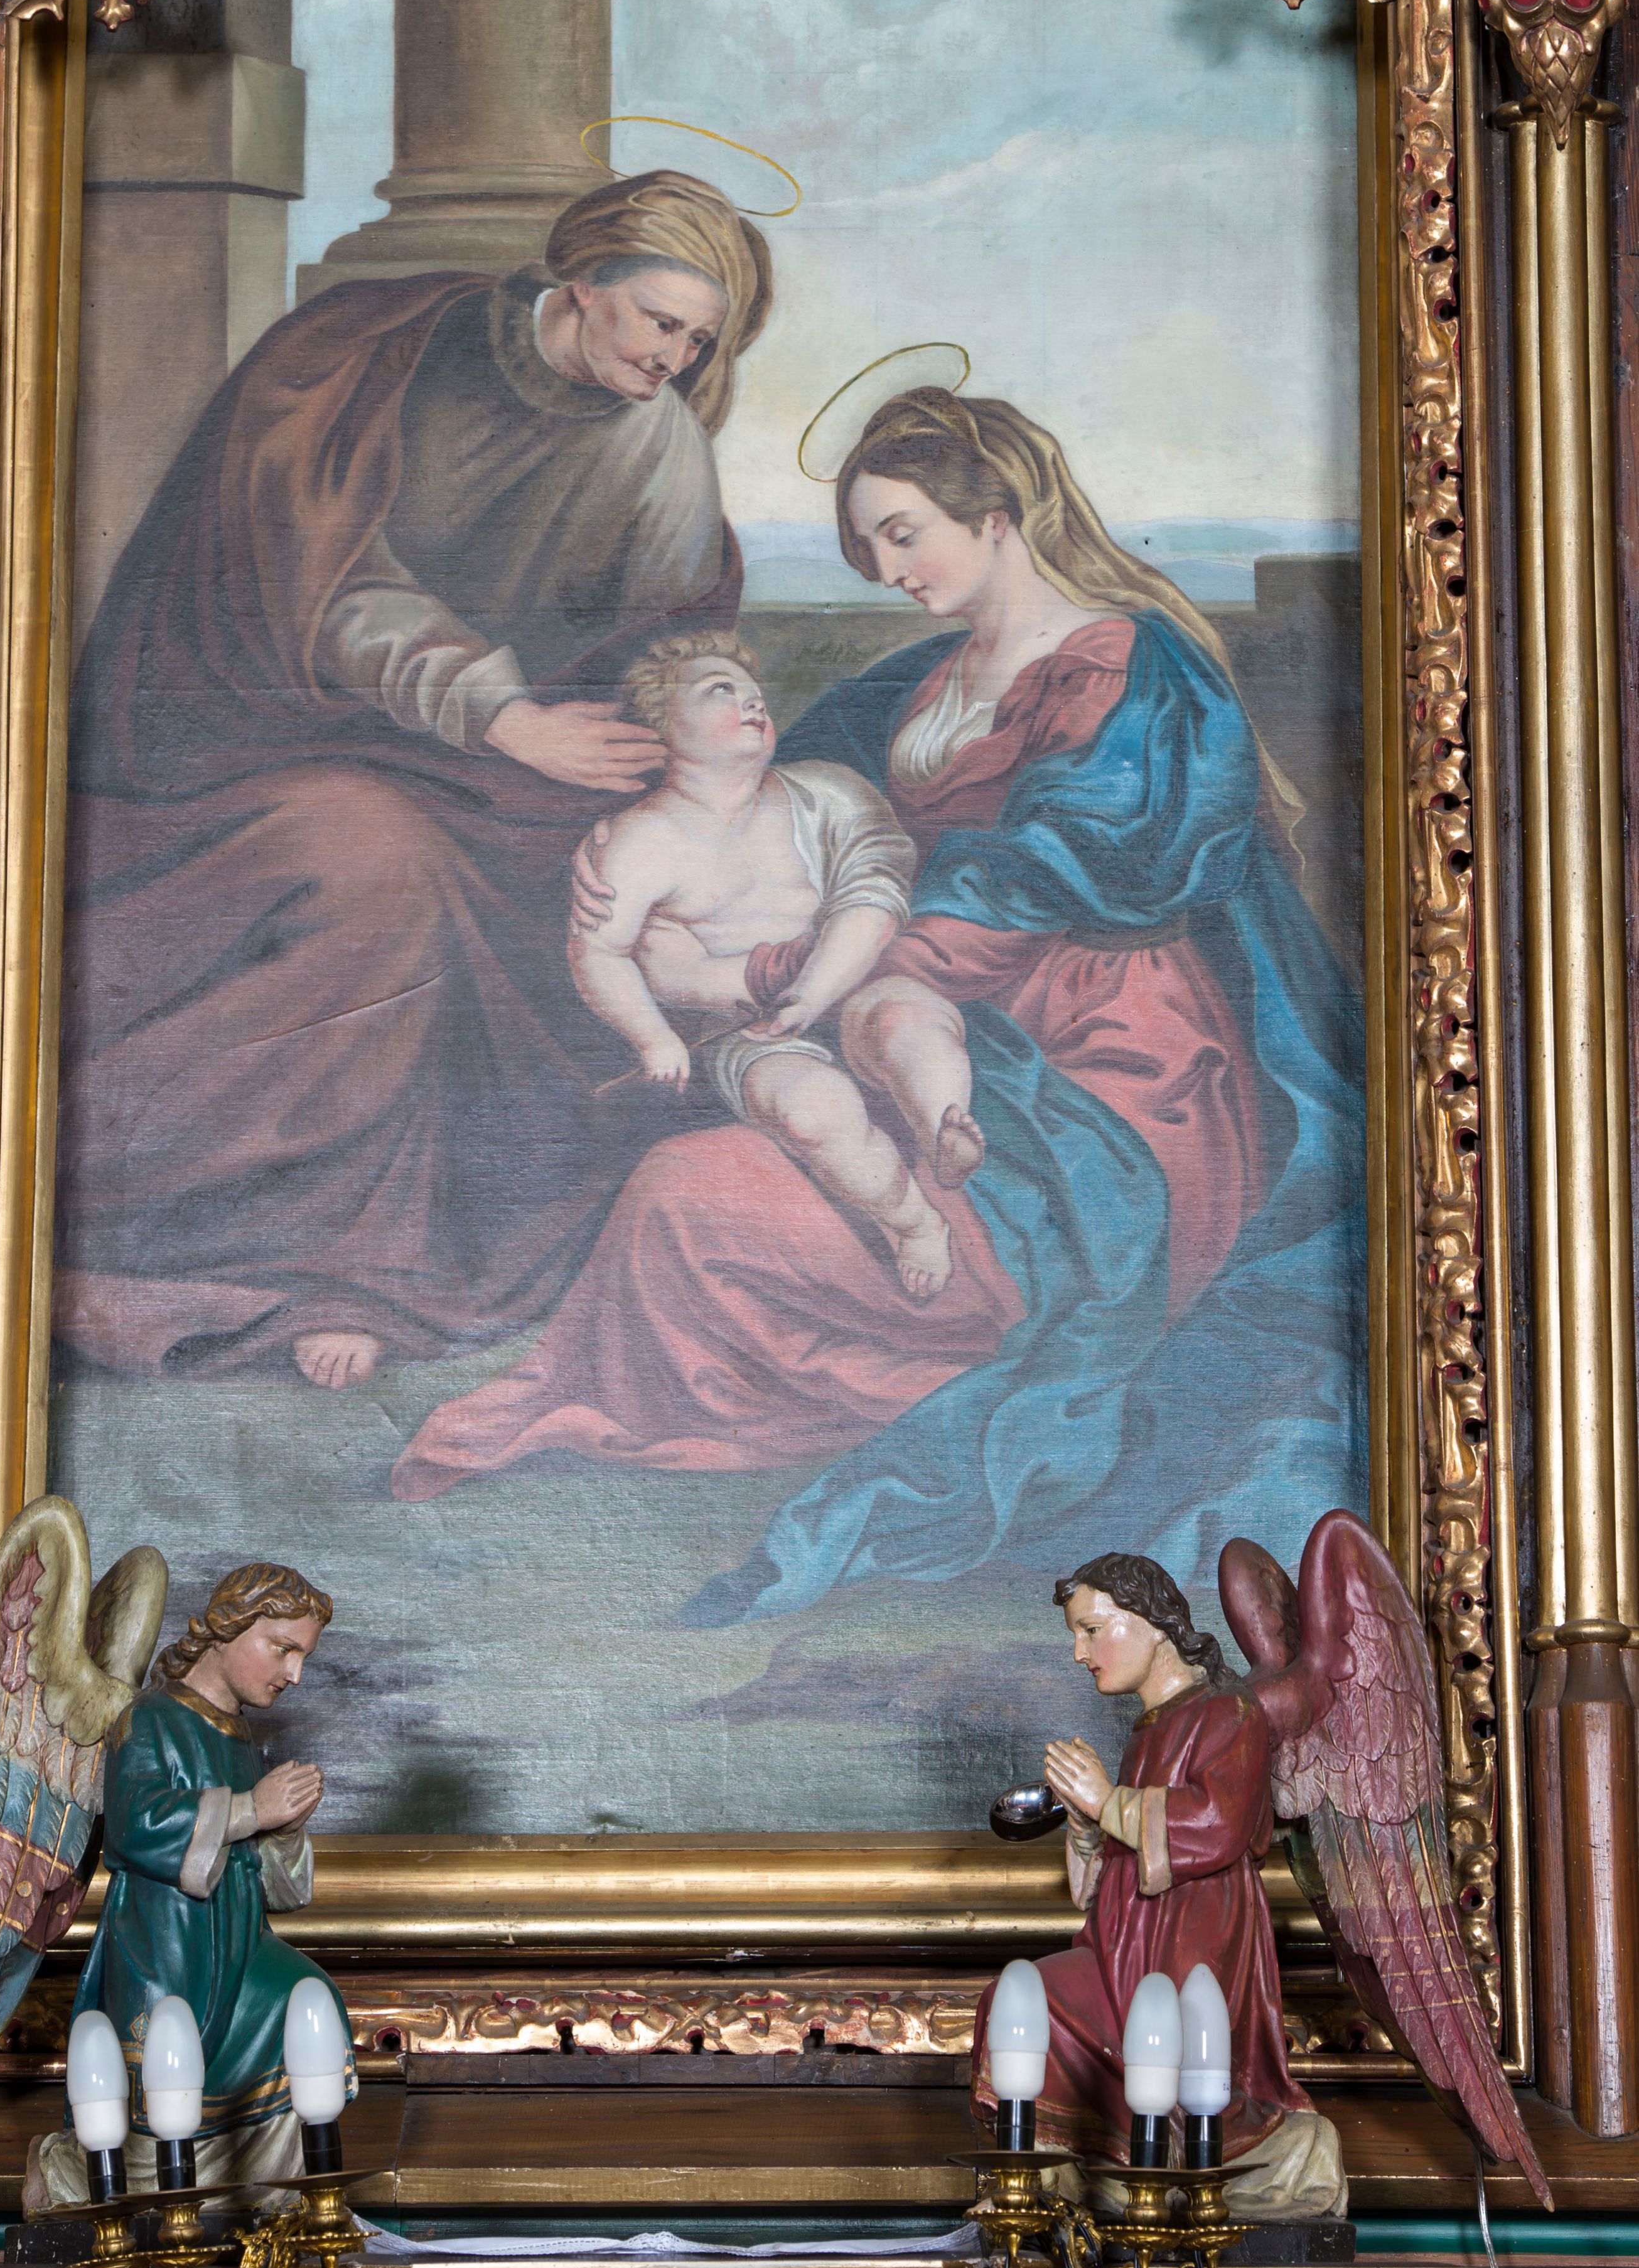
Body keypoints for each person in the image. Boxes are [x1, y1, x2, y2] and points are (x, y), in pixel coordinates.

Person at [395, 386, 1363, 1591]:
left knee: (727, 1201)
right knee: (681, 1196)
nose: (891, 570)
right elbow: (761, 815)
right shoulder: (914, 685)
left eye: (905, 534)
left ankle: (981, 1338)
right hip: (909, 1023)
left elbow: (1053, 873)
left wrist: (764, 973)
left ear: (996, 514)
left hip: (1110, 1075)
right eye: (869, 549)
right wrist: (639, 862)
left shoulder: (1133, 669)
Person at [53, 169, 771, 1391]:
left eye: (699, 342)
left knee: (594, 892)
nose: (675, 359)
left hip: (490, 783)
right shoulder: (360, 358)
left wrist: (631, 755)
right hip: (251, 740)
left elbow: (655, 652)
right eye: (661, 322)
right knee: (372, 866)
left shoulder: (659, 449)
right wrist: (502, 715)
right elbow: (314, 584)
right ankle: (171, 1231)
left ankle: (350, 1261)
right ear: (579, 280)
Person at [568, 632, 948, 1296]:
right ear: (664, 723)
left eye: (753, 692)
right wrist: (652, 1036)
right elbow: (599, 951)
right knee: (812, 1112)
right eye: (721, 690)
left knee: (916, 1028)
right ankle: (915, 1222)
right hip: (751, 1031)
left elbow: (878, 884)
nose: (752, 701)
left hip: (859, 985)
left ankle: (948, 1130)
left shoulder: (828, 791)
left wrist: (814, 992)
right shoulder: (639, 839)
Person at [968, 1552, 1342, 2216]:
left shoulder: (1229, 1712)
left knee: (1178, 2058)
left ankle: (1166, 2168)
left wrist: (1109, 1800)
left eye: (1091, 1630)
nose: (1079, 1653)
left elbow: (1217, 1825)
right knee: (1018, 2005)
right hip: (1126, 1940)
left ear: (1153, 1622)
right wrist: (1088, 1822)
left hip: (1192, 1943)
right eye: (1076, 1635)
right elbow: (1122, 1860)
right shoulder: (1151, 1726)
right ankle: (1049, 2186)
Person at [28, 1563, 351, 2210]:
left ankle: (280, 2199)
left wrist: (283, 1829)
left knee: (305, 2005)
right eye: (283, 1648)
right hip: (167, 1948)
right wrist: (251, 1809)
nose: (294, 1674)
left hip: (239, 1946)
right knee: (160, 2112)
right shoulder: (149, 1718)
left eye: (303, 1657)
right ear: (229, 1628)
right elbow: (135, 1826)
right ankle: (73, 2179)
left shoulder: (240, 1737)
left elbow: (270, 1882)